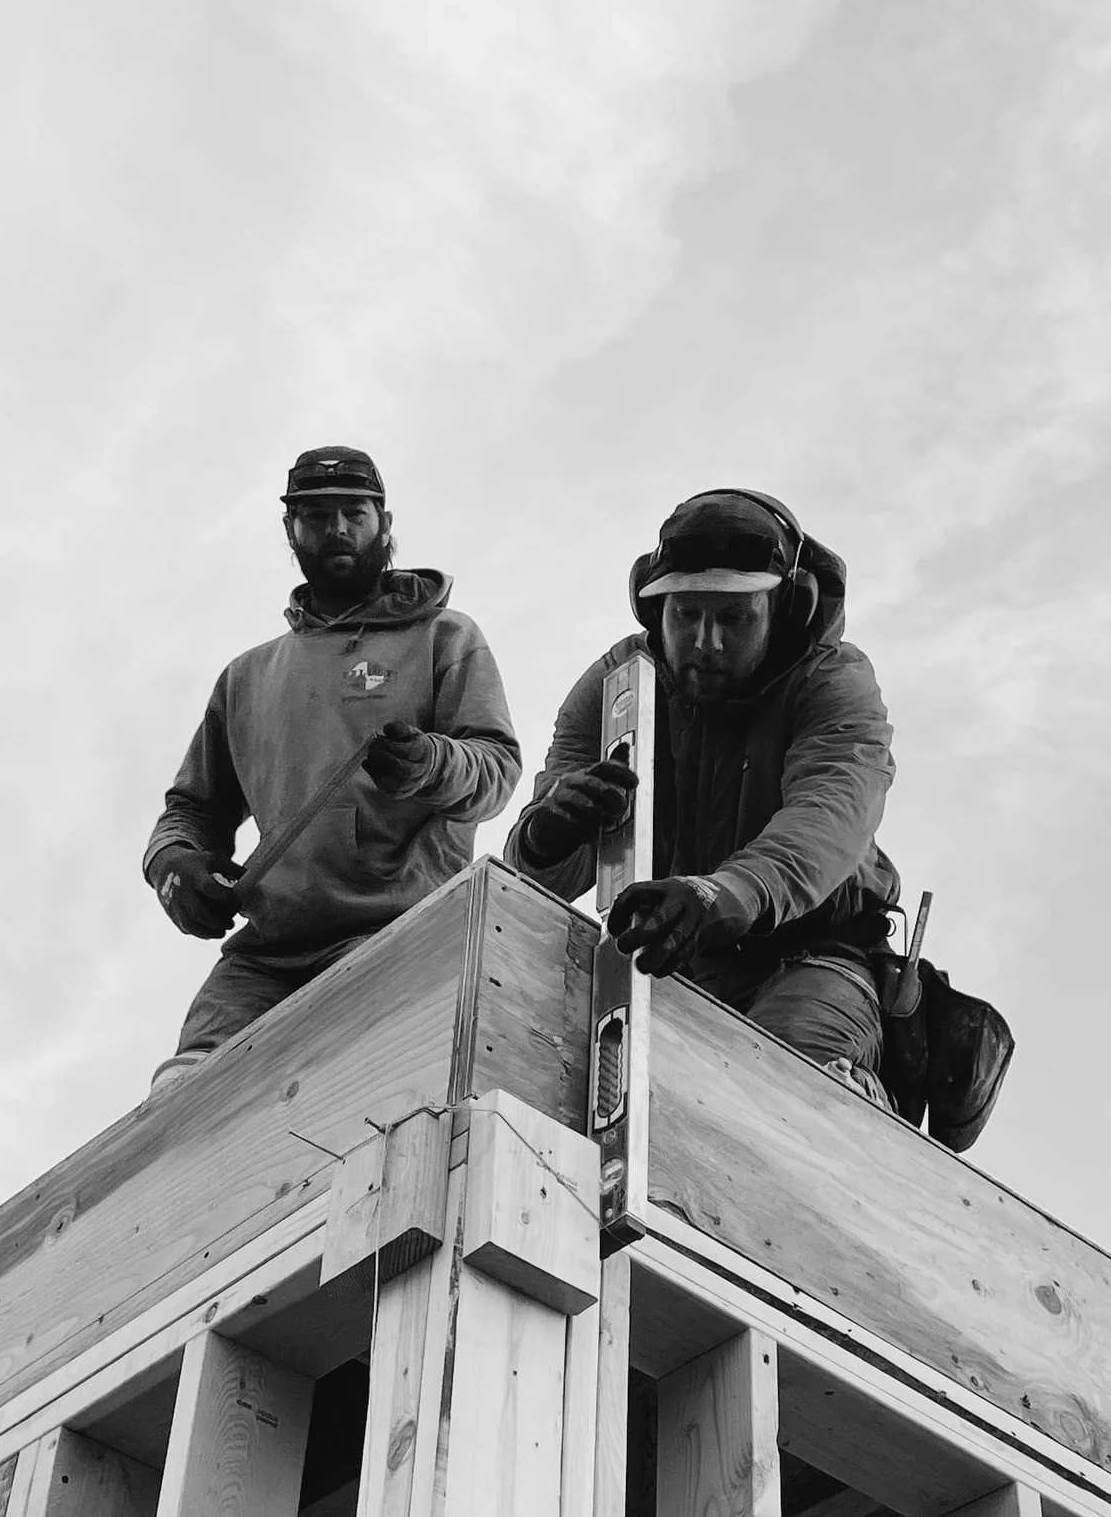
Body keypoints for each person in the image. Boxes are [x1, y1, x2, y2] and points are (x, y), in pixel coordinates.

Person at [507, 488, 899, 1102]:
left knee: (784, 1091)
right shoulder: (616, 688)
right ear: (653, 610)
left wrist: (719, 895)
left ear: (785, 608)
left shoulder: (835, 682)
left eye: (734, 618)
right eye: (686, 615)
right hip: (670, 962)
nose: (706, 642)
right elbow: (546, 880)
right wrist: (546, 835)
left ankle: (860, 1099)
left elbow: (827, 817)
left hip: (811, 952)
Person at [144, 446, 521, 1080]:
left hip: (401, 928)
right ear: (290, 532)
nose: (338, 529)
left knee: (366, 1107)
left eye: (355, 512)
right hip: (267, 953)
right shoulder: (246, 676)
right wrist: (173, 865)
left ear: (386, 524)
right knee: (182, 1101)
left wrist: (430, 762)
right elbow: (190, 810)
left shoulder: (445, 637)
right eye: (316, 517)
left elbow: (495, 769)